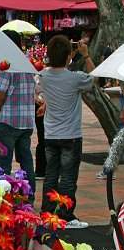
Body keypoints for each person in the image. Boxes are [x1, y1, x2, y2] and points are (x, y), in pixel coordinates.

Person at [39, 35, 95, 228]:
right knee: (69, 176)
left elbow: (38, 91)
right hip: (70, 134)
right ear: (68, 55)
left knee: (51, 174)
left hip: (50, 134)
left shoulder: (44, 76)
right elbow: (94, 78)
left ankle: (47, 213)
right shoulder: (74, 78)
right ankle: (66, 215)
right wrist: (86, 56)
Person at [0, 29, 36, 197]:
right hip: (26, 122)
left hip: (8, 121)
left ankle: (2, 199)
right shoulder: (29, 64)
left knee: (4, 162)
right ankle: (29, 197)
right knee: (26, 161)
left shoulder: (7, 66)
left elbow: (0, 95)